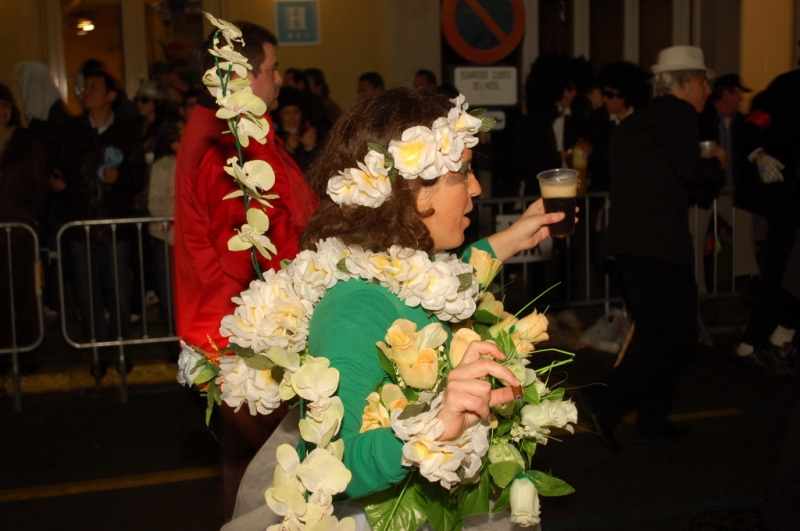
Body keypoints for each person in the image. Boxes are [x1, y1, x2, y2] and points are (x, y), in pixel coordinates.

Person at [222, 86, 569, 530]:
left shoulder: (399, 265)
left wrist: (514, 237)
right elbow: (334, 466)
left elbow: (438, 281)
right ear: (414, 190)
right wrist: (431, 429)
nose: (477, 188)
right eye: (463, 173)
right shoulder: (356, 308)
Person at [173, 22, 318, 520]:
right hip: (245, 329)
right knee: (271, 470)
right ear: (242, 76)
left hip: (244, 322)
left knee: (255, 466)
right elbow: (244, 252)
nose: (280, 80)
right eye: (273, 71)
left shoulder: (234, 127)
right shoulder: (225, 140)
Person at [575, 46, 725, 449]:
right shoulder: (680, 116)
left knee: (654, 334)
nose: (708, 90)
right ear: (686, 83)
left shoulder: (635, 123)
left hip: (629, 245)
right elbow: (691, 171)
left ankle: (652, 421)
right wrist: (718, 163)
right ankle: (604, 402)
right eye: (703, 82)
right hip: (660, 245)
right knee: (674, 337)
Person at [53, 70, 144, 377]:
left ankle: (121, 350)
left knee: (118, 291)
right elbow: (59, 168)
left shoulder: (126, 131)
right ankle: (98, 352)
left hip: (115, 225)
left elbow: (138, 176)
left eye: (94, 86)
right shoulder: (72, 131)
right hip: (79, 224)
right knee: (86, 293)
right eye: (84, 87)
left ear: (110, 95)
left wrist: (122, 179)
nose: (86, 92)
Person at [690, 73, 760, 295]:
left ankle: (745, 276)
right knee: (695, 235)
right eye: (738, 92)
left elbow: (750, 150)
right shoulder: (703, 119)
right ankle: (696, 290)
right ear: (727, 92)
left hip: (730, 192)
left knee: (743, 219)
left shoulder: (742, 124)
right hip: (704, 192)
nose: (741, 98)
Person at [0, 83, 49, 368]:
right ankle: (6, 355)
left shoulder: (27, 142)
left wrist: (31, 217)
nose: (2, 111)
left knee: (26, 296)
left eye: (6, 105)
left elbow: (40, 187)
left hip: (20, 232)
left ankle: (29, 356)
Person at [270, 86, 321, 171]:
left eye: (296, 111)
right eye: (286, 113)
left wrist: (311, 148)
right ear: (279, 116)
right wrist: (287, 149)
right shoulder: (274, 137)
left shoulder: (313, 133)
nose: (292, 117)